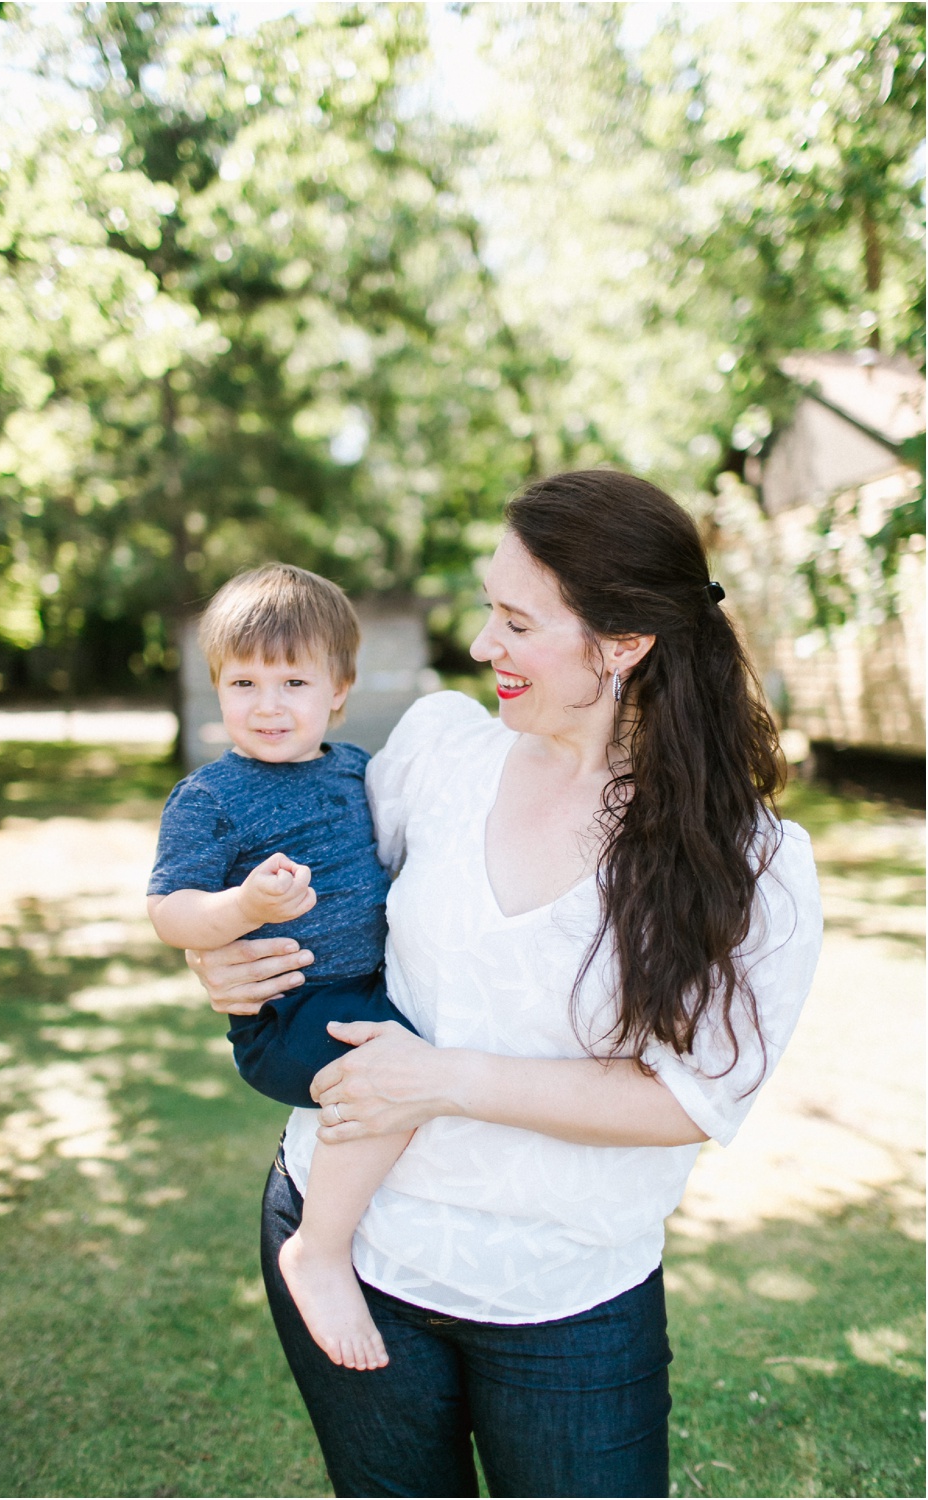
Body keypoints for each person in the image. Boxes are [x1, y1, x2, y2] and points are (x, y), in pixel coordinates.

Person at [186, 470, 822, 1497]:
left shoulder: (748, 864)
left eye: (515, 621)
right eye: (488, 608)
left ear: (621, 646)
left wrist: (444, 1078)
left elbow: (691, 1097)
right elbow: (323, 908)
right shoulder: (440, 750)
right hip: (351, 1242)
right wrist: (224, 953)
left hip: (564, 1296)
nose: (483, 644)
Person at [146, 564, 419, 1373]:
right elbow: (170, 911)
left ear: (339, 688)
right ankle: (319, 1248)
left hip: (364, 990)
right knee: (393, 1075)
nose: (268, 704)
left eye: (294, 680)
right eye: (245, 682)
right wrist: (242, 909)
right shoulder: (211, 798)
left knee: (418, 1057)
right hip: (287, 1014)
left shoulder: (354, 771)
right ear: (217, 687)